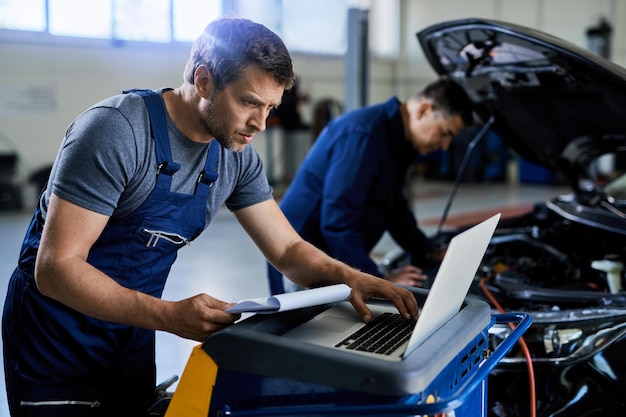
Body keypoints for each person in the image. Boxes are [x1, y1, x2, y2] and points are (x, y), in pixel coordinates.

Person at [1, 18, 418, 417]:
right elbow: (56, 267)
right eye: (250, 102)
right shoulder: (117, 132)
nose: (261, 124)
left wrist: (351, 279)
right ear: (203, 81)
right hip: (56, 340)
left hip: (129, 329)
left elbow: (288, 249)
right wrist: (167, 315)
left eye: (271, 107)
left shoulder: (235, 156)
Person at [267, 77, 474, 294]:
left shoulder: (398, 142)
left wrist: (426, 252)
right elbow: (338, 222)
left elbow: (395, 209)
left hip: (332, 255)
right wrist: (376, 280)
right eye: (444, 133)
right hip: (303, 261)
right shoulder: (365, 136)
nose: (444, 146)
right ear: (424, 110)